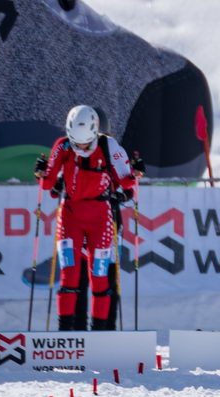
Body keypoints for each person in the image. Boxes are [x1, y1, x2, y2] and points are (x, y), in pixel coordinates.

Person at [35, 104, 141, 331]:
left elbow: (127, 182)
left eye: (86, 143)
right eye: (77, 142)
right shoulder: (63, 146)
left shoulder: (109, 145)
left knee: (101, 277)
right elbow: (48, 184)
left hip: (101, 217)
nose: (81, 147)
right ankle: (66, 334)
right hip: (70, 216)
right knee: (70, 277)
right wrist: (41, 173)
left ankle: (101, 332)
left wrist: (135, 173)